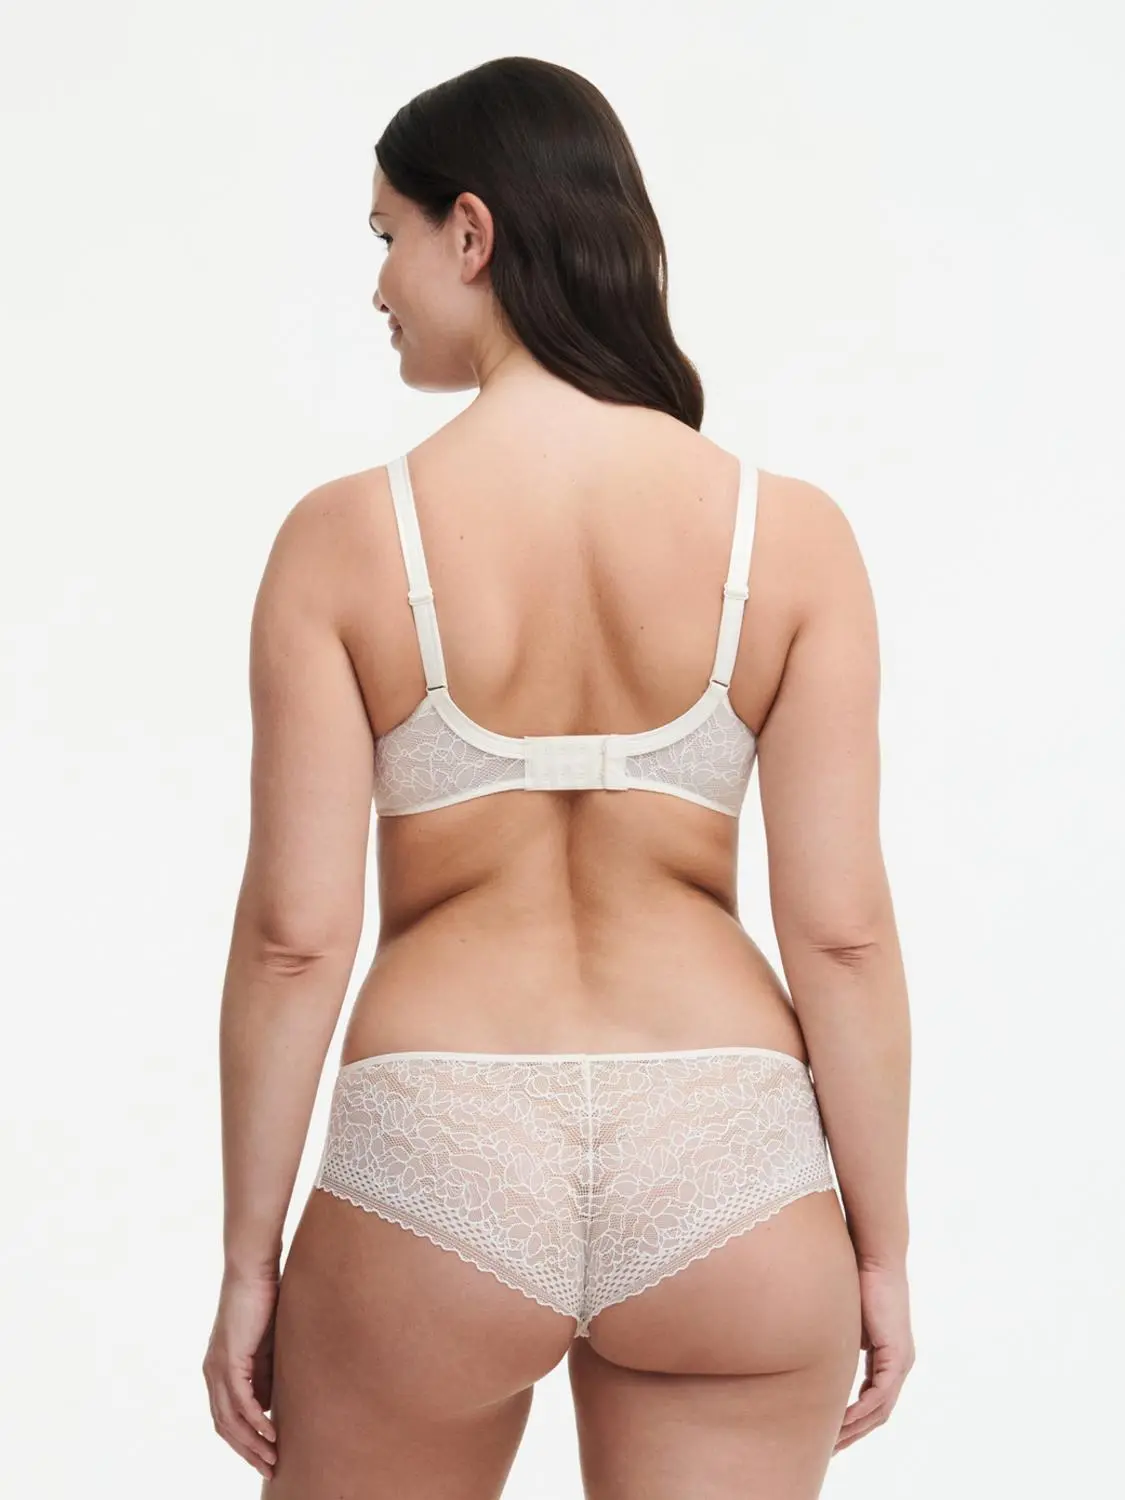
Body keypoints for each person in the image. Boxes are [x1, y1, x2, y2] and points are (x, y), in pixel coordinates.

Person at [202, 54, 914, 1498]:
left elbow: (294, 941)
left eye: (388, 235)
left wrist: (248, 1258)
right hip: (728, 1155)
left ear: (470, 232)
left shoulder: (346, 541)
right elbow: (842, 934)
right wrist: (882, 1250)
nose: (379, 283)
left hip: (439, 1150)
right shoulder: (789, 538)